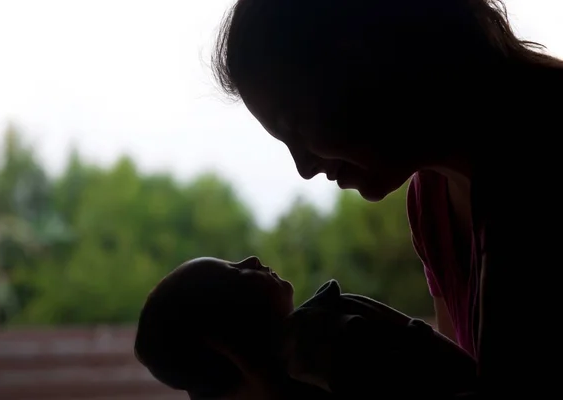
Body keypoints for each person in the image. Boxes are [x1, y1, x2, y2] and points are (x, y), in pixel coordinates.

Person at [211, 0, 563, 397]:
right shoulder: (432, 201)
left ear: (367, 57)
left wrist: (369, 360)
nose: (305, 168)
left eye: (295, 125)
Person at [134, 256, 477, 399]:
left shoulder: (326, 335)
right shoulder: (308, 350)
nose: (252, 260)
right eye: (235, 274)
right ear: (226, 346)